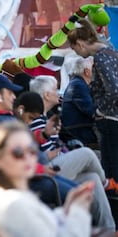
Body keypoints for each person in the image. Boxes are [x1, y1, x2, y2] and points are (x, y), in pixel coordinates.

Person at [14, 91, 116, 231]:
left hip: (45, 170)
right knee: (87, 153)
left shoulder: (32, 124)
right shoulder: (22, 126)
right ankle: (107, 183)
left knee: (92, 178)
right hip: (43, 177)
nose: (58, 92)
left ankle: (109, 229)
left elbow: (34, 146)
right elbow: (28, 160)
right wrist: (48, 156)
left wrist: (47, 138)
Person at [0, 120, 93, 236]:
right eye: (18, 153)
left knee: (92, 176)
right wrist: (78, 212)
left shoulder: (8, 195)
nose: (27, 157)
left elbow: (41, 225)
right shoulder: (14, 204)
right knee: (87, 156)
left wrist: (67, 209)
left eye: (32, 150)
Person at [0, 74, 74, 206]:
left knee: (89, 183)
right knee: (83, 189)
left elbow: (18, 146)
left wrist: (44, 135)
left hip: (36, 176)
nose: (14, 97)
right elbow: (6, 159)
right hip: (27, 182)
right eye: (10, 93)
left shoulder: (0, 118)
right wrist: (40, 169)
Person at [68, 18, 118, 195]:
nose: (76, 53)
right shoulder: (111, 51)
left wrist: (100, 110)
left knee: (111, 169)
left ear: (80, 43)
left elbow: (114, 89)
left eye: (74, 49)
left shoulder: (101, 57)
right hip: (114, 118)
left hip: (109, 120)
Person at [61, 57, 98, 148]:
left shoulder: (79, 83)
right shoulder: (78, 85)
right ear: (87, 71)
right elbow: (92, 111)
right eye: (94, 67)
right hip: (82, 132)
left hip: (82, 130)